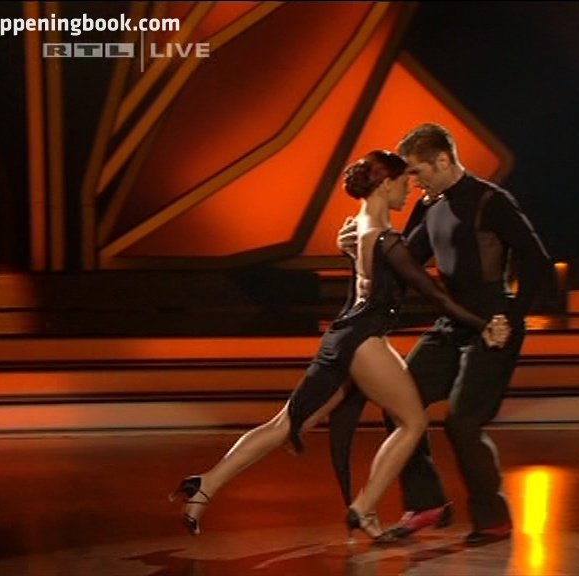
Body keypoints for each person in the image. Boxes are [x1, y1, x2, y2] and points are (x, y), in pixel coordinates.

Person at [169, 150, 510, 542]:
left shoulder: (358, 227)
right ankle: (364, 508)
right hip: (363, 340)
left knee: (285, 424)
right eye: (403, 183)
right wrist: (483, 324)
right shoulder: (387, 240)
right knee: (412, 422)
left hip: (344, 335)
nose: (408, 190)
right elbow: (435, 295)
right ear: (386, 184)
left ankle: (204, 485)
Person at [337, 124, 555, 546]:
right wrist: (355, 248)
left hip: (492, 326)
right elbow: (404, 262)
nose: (414, 181)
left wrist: (512, 316)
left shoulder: (491, 201)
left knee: (463, 422)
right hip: (452, 324)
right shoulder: (429, 205)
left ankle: (493, 518)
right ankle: (427, 503)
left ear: (442, 160)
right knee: (400, 405)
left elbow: (536, 261)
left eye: (418, 172)